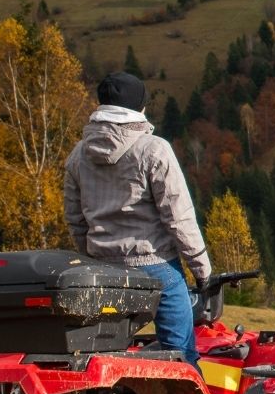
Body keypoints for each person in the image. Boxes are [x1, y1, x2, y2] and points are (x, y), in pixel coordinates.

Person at [63, 71, 212, 364]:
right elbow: (178, 218)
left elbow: (75, 220)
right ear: (139, 108)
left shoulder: (78, 155)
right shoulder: (154, 149)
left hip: (103, 271)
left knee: (106, 357)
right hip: (154, 266)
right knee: (180, 353)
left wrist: (93, 260)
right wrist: (202, 269)